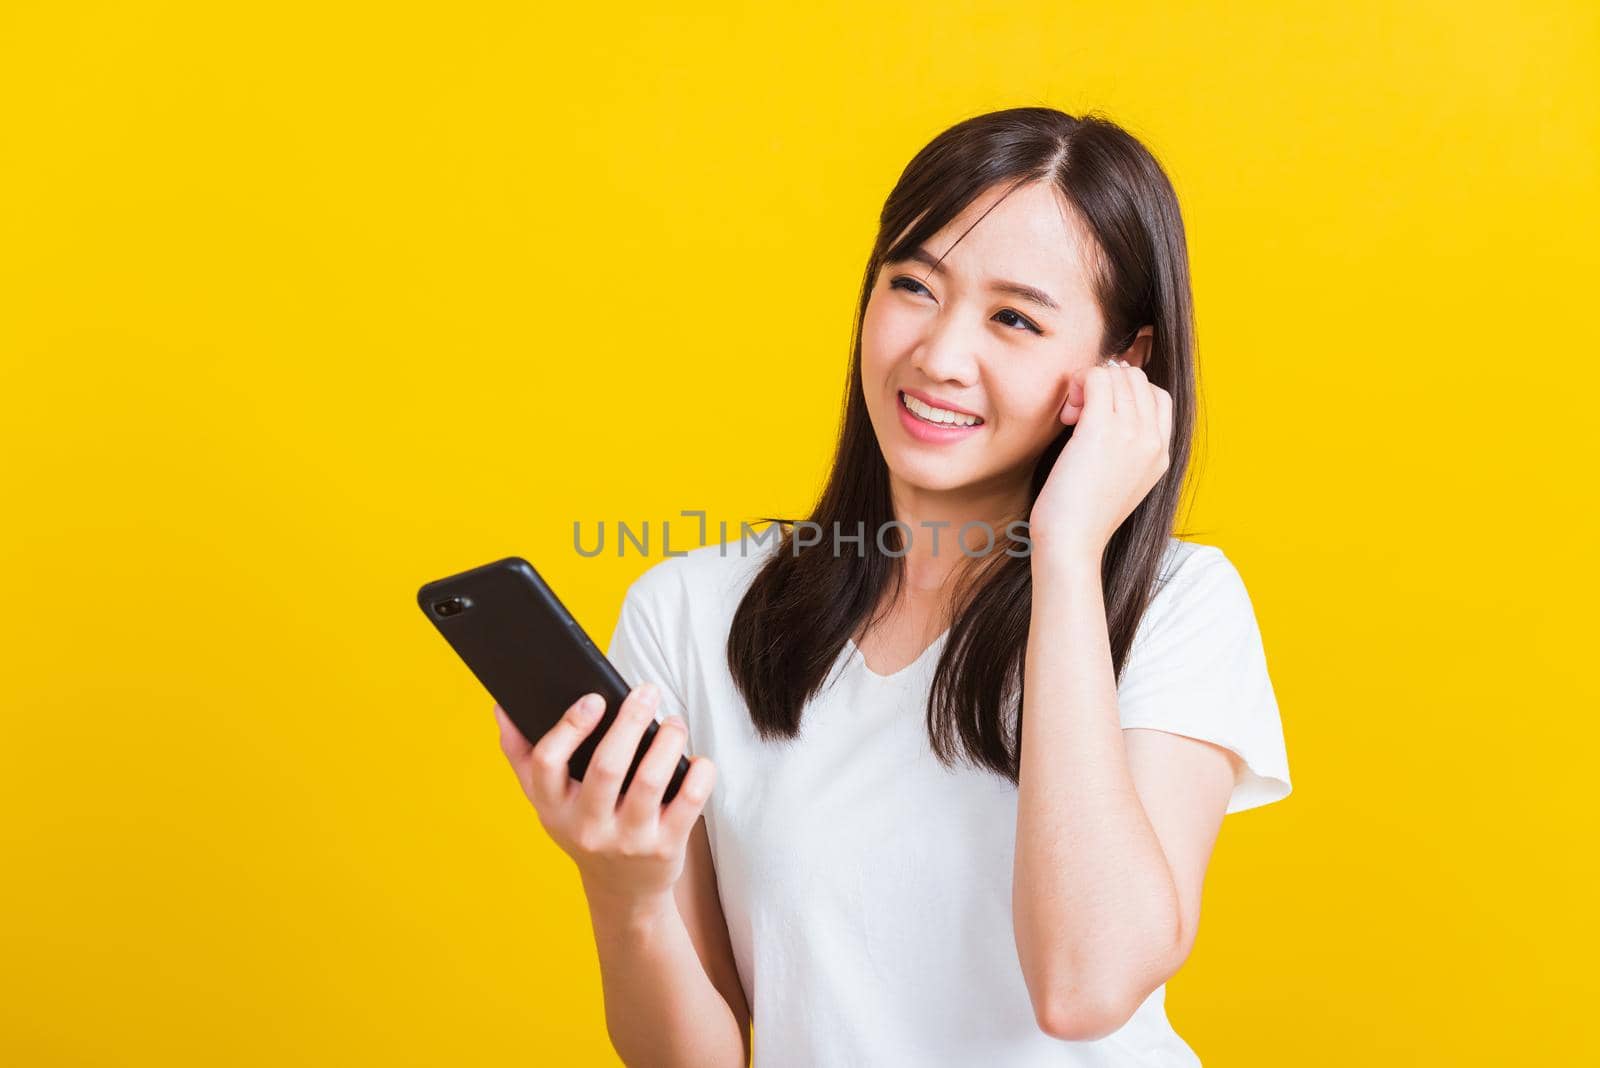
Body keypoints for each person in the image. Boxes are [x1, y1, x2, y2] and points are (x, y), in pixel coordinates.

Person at [493, 106, 1292, 1067]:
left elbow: (1086, 987)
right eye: (914, 286)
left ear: (1123, 363)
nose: (940, 358)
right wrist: (624, 892)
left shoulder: (1172, 603)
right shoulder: (692, 612)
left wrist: (1069, 555)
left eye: (1014, 318)